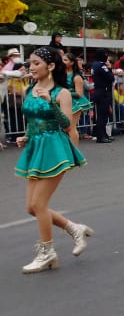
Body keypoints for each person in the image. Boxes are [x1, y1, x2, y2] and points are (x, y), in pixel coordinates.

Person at [14, 47, 91, 273]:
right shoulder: (31, 88)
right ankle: (74, 228)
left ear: (51, 66)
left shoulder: (62, 92)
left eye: (36, 63)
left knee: (39, 204)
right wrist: (26, 136)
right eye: (31, 63)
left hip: (55, 148)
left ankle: (47, 253)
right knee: (32, 207)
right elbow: (32, 119)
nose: (31, 67)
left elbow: (67, 125)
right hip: (36, 147)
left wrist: (51, 103)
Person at [91, 50, 115, 143]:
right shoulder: (101, 65)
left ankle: (103, 134)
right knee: (103, 116)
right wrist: (109, 68)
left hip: (98, 91)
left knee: (102, 115)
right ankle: (101, 136)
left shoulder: (94, 64)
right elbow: (110, 77)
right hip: (103, 92)